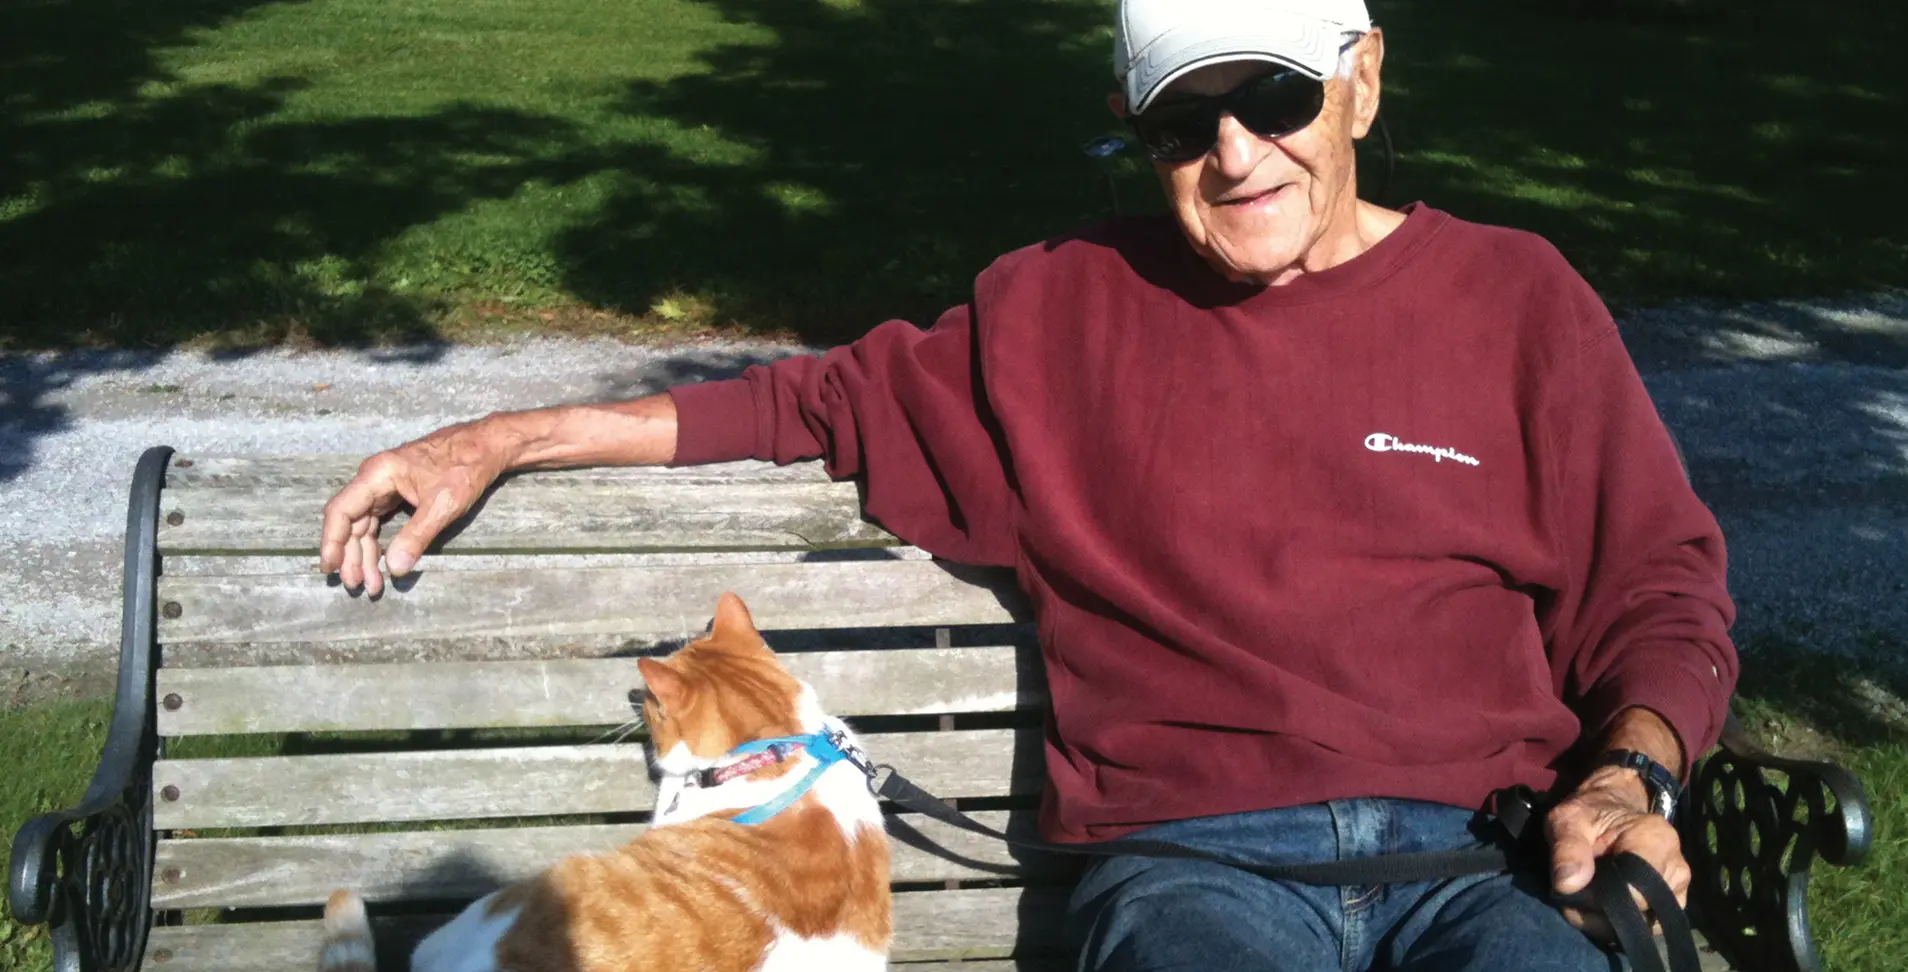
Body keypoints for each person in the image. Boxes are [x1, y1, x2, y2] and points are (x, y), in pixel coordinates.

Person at [320, 0, 1737, 968]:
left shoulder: (1516, 299)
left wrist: (1627, 773)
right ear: (1133, 123)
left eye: (1276, 96)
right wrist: (499, 438)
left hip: (1478, 862)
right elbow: (805, 402)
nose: (1236, 153)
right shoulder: (1059, 312)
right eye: (1187, 121)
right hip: (1200, 874)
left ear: (1365, 74)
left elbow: (1659, 590)